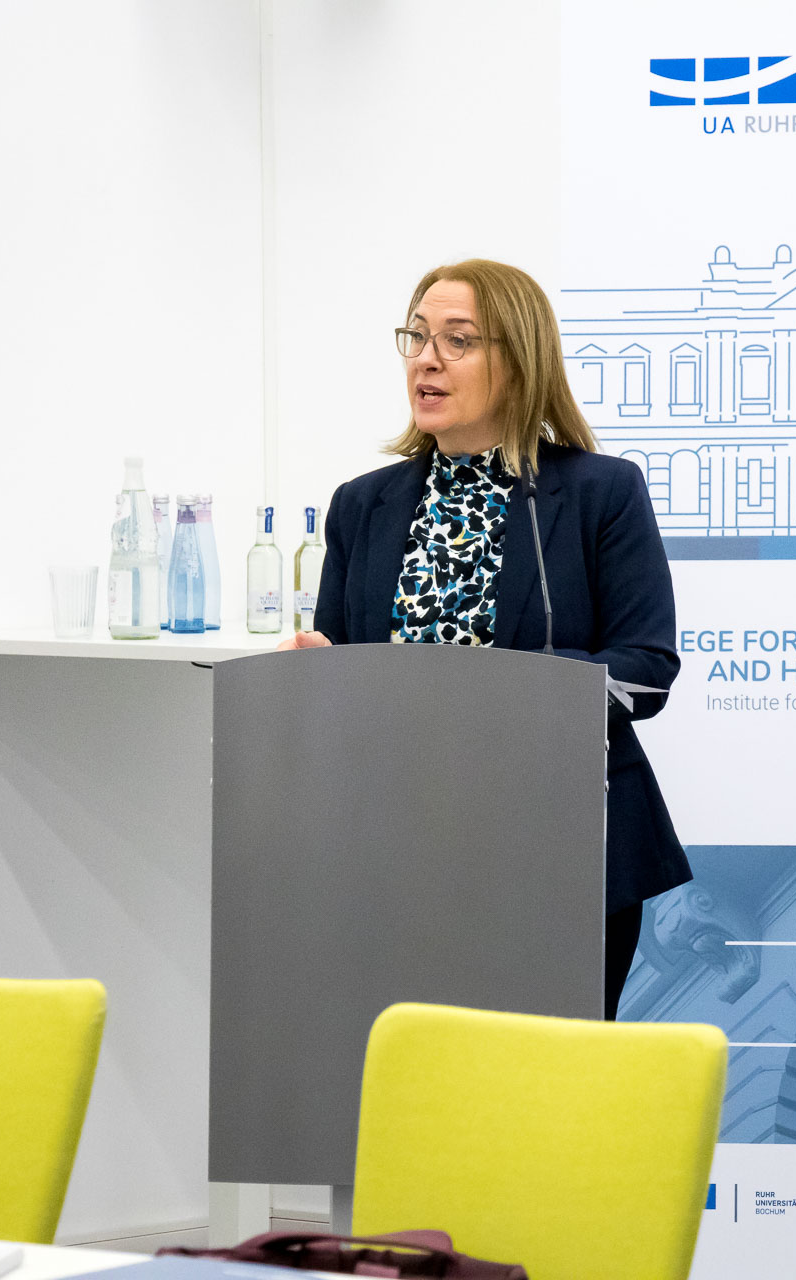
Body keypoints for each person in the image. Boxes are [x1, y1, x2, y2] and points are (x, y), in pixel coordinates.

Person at [276, 258, 691, 1019]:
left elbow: (647, 669)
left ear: (518, 359)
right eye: (417, 336)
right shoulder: (362, 505)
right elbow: (341, 659)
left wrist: (506, 696)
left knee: (546, 1095)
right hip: (401, 843)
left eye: (458, 341)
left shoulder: (599, 493)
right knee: (419, 1083)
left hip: (559, 843)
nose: (427, 359)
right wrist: (313, 677)